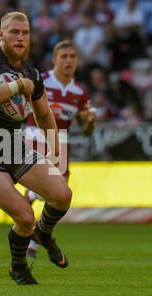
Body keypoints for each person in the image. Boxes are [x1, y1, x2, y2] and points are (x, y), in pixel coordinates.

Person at [0, 12, 72, 285]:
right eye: (14, 32)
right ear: (1, 36)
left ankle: (43, 234)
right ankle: (19, 267)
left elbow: (44, 114)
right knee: (24, 215)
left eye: (25, 32)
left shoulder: (31, 72)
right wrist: (16, 86)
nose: (20, 37)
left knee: (62, 196)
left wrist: (56, 153)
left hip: (12, 146)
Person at [24, 40, 96, 258]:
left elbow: (86, 130)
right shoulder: (41, 80)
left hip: (61, 145)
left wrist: (90, 121)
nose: (69, 61)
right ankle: (31, 240)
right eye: (64, 56)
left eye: (72, 56)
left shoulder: (80, 93)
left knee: (61, 197)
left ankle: (33, 242)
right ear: (54, 60)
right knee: (51, 192)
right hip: (37, 138)